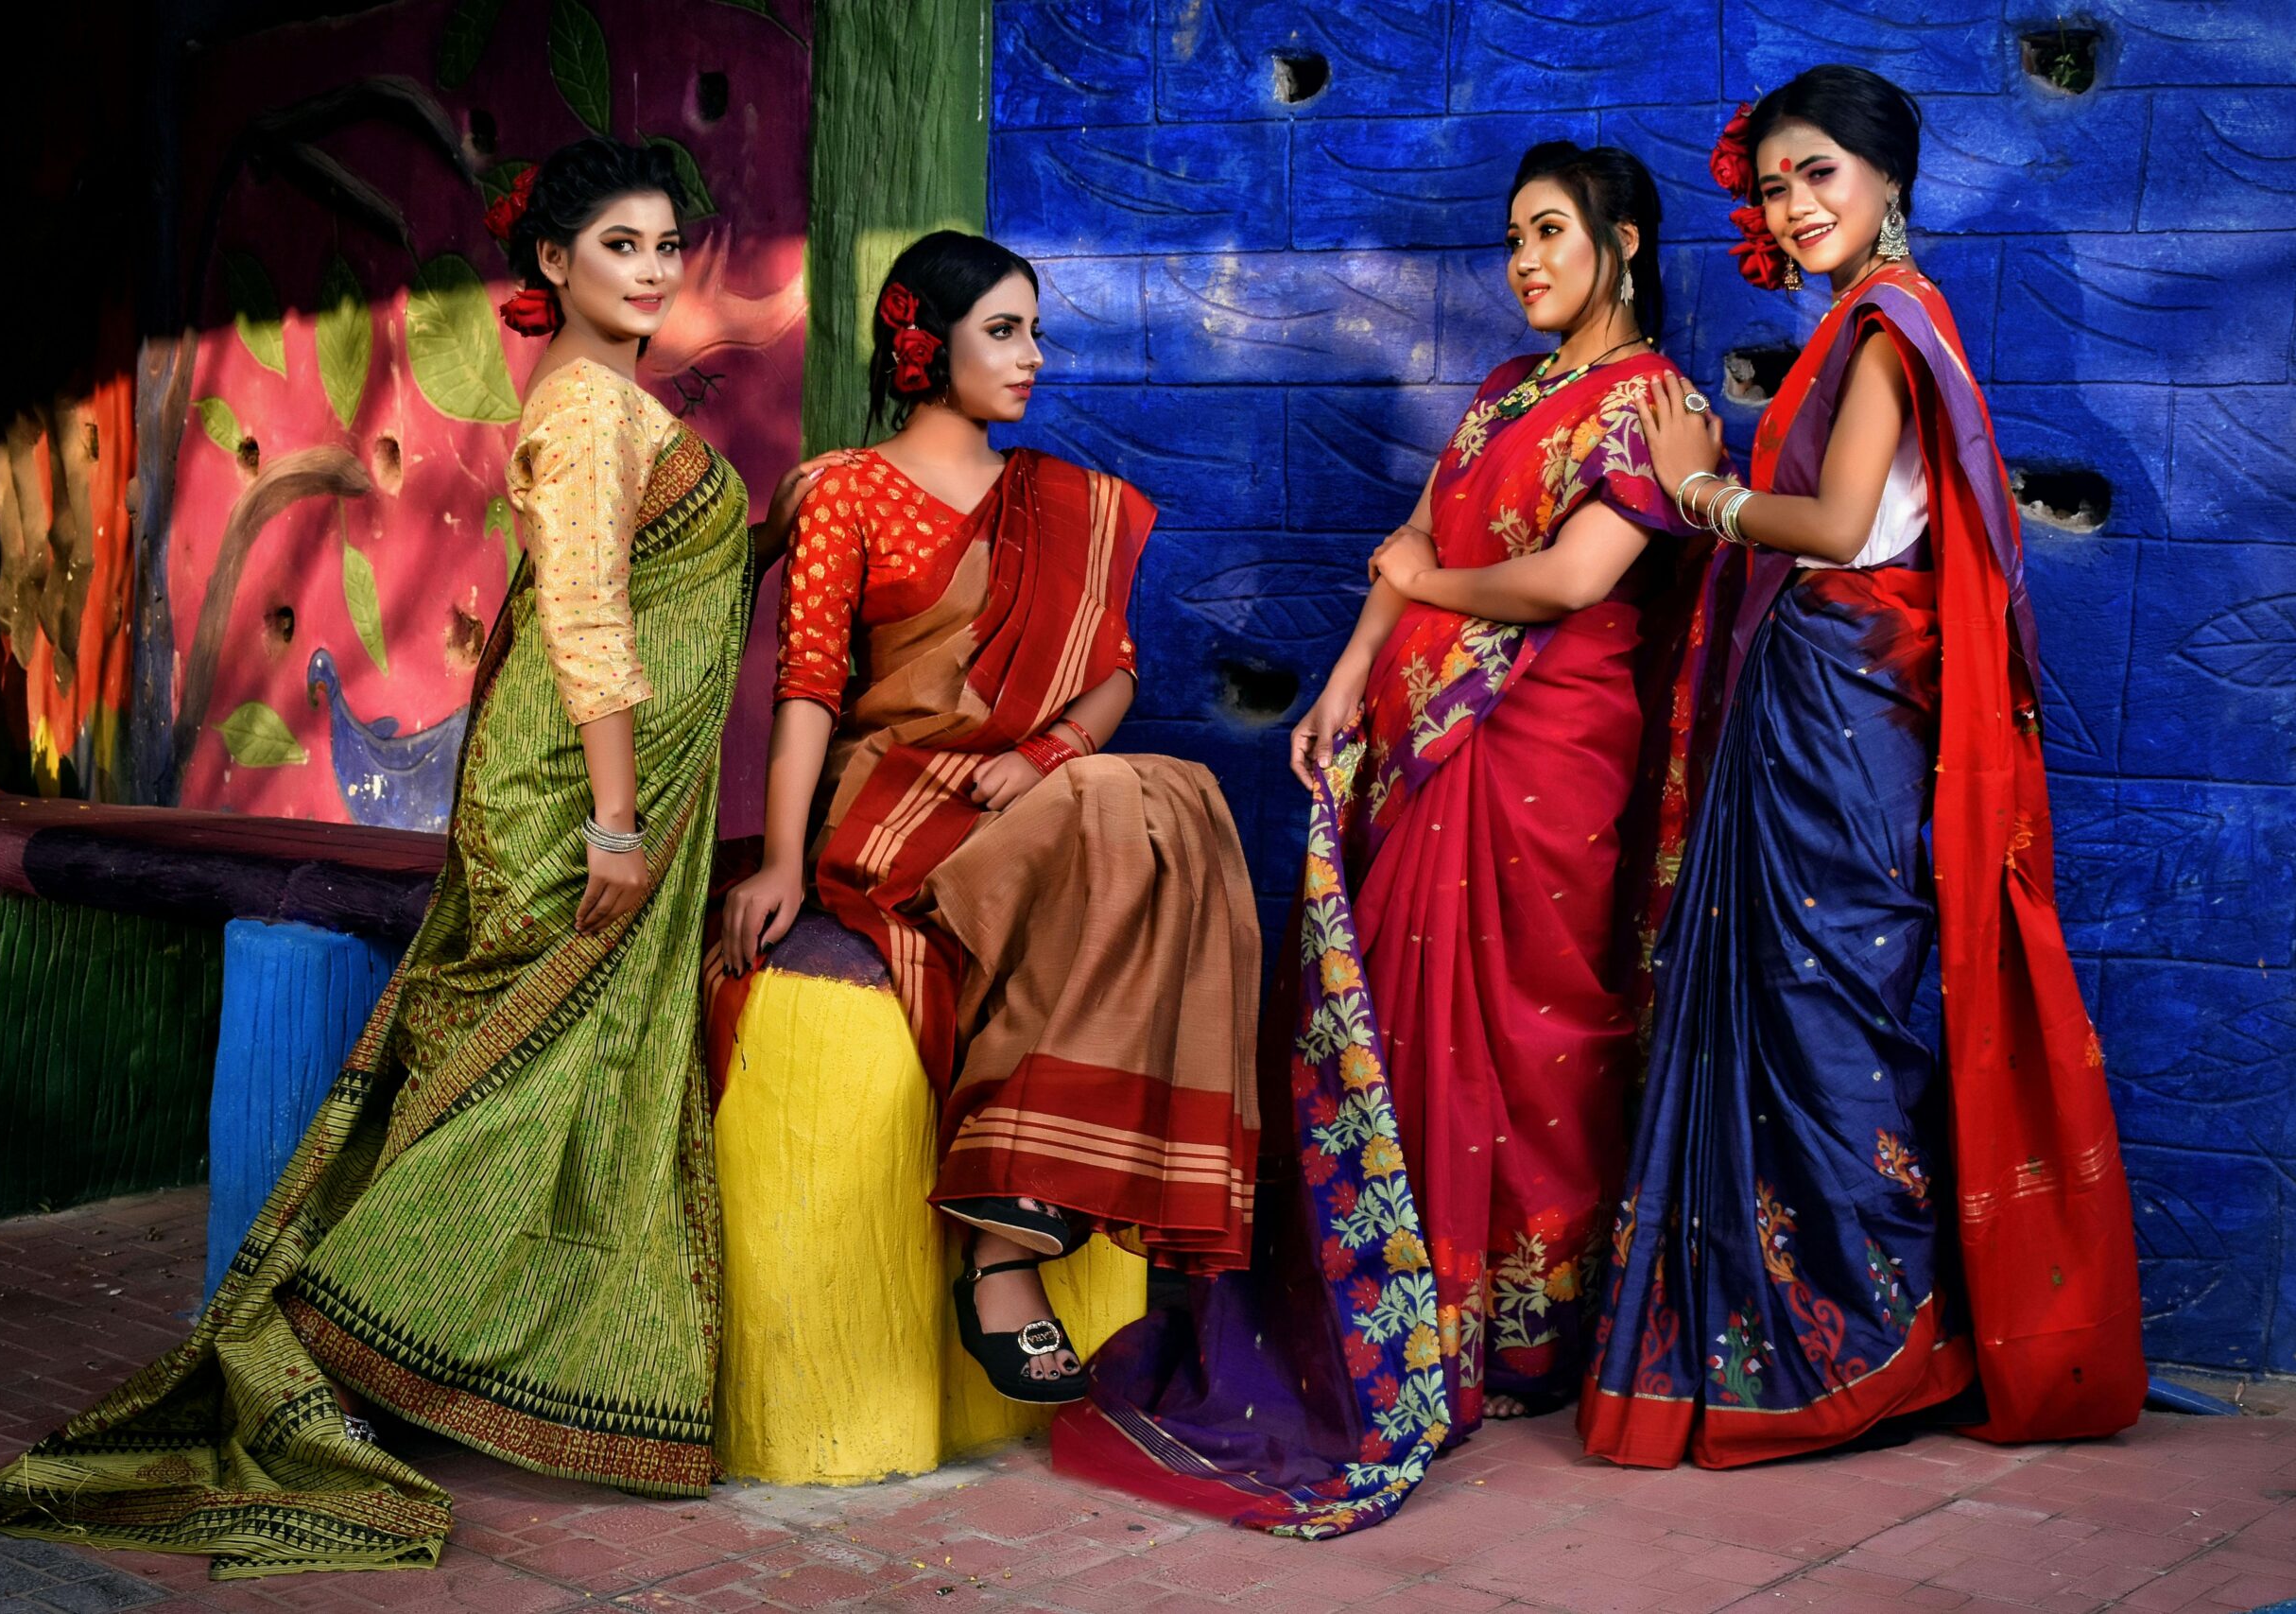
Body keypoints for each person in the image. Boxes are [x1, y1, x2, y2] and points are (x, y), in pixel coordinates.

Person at [0, 135, 850, 1575]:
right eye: (616, 245)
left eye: (660, 247)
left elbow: (655, 577)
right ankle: (318, 1346)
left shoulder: (621, 412)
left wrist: (765, 531)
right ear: (552, 268)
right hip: (570, 798)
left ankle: (371, 1345)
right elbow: (590, 633)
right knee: (494, 1084)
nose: (648, 270)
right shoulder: (581, 412)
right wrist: (616, 828)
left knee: (504, 1073)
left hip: (577, 788)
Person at [1053, 142, 1705, 1535]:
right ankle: (1418, 1313)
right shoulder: (1504, 393)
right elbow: (1408, 536)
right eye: (1512, 239)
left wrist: (1426, 585)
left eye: (1550, 233)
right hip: (1425, 745)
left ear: (1627, 242)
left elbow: (1577, 577)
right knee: (1413, 1024)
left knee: (1533, 1028)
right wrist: (1350, 675)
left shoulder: (1655, 404)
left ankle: (1512, 1329)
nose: (1524, 261)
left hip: (1545, 759)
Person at [1580, 65, 2146, 1469]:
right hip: (1820, 711)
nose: (1795, 203)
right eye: (1776, 184)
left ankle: (1860, 1345)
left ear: (1889, 178)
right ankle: (1816, 1334)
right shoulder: (1864, 324)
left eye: (1820, 173)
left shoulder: (1889, 329)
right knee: (1801, 1012)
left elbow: (1835, 527)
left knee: (1838, 1017)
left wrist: (1703, 488)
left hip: (1847, 723)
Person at [710, 231, 1262, 1404]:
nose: (1030, 357)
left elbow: (1111, 670)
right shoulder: (845, 489)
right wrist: (781, 863)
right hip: (894, 792)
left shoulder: (1062, 501)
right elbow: (806, 684)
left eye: (1035, 332)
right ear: (925, 343)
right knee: (1134, 804)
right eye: (1002, 331)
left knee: (1172, 797)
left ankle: (1013, 1212)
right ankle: (1004, 1245)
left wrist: (1050, 749)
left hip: (1024, 785)